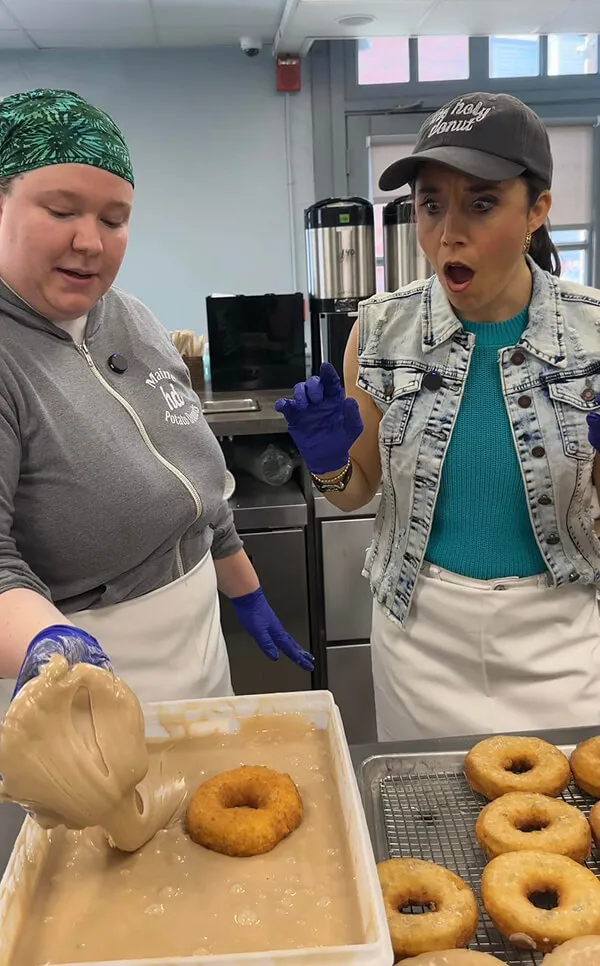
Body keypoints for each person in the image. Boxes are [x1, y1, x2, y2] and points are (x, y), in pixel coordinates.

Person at [277, 91, 600, 742]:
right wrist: (330, 463)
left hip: (563, 634)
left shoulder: (593, 335)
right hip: (420, 630)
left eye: (481, 204)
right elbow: (354, 493)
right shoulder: (378, 330)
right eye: (430, 205)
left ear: (537, 209)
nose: (448, 232)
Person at [0, 88, 313, 715]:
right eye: (62, 210)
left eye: (114, 220)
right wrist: (47, 644)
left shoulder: (130, 318)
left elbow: (191, 475)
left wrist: (242, 587)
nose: (91, 241)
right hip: (77, 670)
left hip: (197, 644)